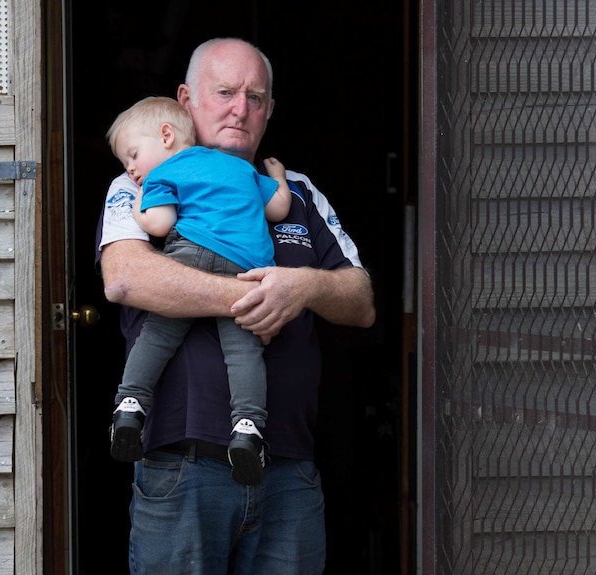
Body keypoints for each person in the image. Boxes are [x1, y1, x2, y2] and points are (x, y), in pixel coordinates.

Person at [97, 37, 375, 575]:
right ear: (186, 99)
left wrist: (302, 288)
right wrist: (254, 300)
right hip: (183, 467)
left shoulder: (296, 193)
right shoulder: (143, 178)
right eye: (225, 92)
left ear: (269, 109)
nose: (239, 108)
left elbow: (361, 299)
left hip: (287, 470)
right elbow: (126, 279)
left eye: (255, 96)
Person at [105, 96, 291, 487]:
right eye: (126, 164)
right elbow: (278, 209)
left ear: (167, 136)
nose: (131, 168)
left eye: (133, 155)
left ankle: (131, 406)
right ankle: (247, 429)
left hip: (191, 255)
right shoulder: (239, 167)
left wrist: (141, 202)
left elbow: (159, 223)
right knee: (243, 352)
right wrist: (278, 179)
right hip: (247, 267)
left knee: (157, 334)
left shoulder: (162, 174)